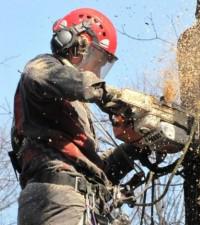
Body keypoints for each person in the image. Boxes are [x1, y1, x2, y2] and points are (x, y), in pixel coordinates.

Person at [9, 8, 140, 225]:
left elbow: (93, 169)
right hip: (56, 196)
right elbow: (39, 74)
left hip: (77, 198)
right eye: (97, 60)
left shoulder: (71, 107)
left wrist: (135, 146)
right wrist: (113, 97)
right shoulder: (45, 68)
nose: (95, 72)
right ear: (77, 43)